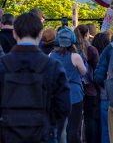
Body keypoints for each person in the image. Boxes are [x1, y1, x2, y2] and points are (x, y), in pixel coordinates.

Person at [0, 12, 70, 142]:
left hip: (8, 134)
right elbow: (64, 107)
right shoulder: (53, 66)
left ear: (14, 33)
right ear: (39, 34)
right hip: (43, 134)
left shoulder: (3, 65)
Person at [49, 27, 87, 143]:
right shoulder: (75, 56)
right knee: (73, 128)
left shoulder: (51, 55)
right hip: (75, 95)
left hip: (57, 94)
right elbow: (84, 72)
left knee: (59, 127)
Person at [75, 24, 100, 143]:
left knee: (75, 120)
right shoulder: (91, 49)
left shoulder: (72, 49)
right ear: (87, 34)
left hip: (76, 88)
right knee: (90, 119)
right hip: (90, 89)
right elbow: (97, 69)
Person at [91, 32, 111, 143]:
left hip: (94, 95)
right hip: (107, 95)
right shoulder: (109, 55)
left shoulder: (89, 53)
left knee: (102, 129)